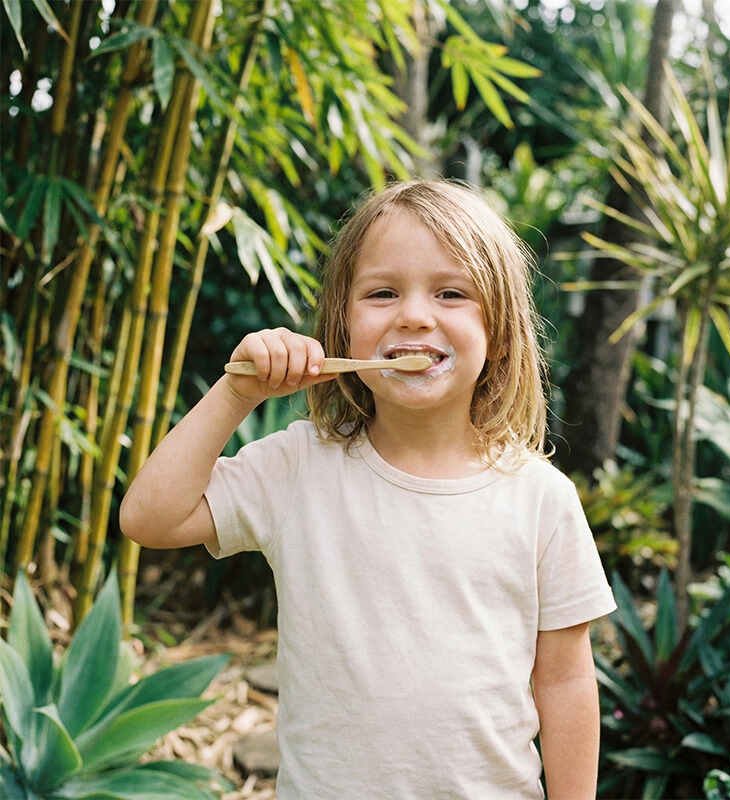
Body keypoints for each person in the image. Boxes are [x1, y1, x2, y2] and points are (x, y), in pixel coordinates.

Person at [121, 179, 617, 799]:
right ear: (343, 325)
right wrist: (236, 392)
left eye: (451, 292)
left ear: (500, 330)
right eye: (383, 293)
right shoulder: (299, 467)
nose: (413, 313)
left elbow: (567, 681)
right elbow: (150, 518)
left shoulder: (541, 499)